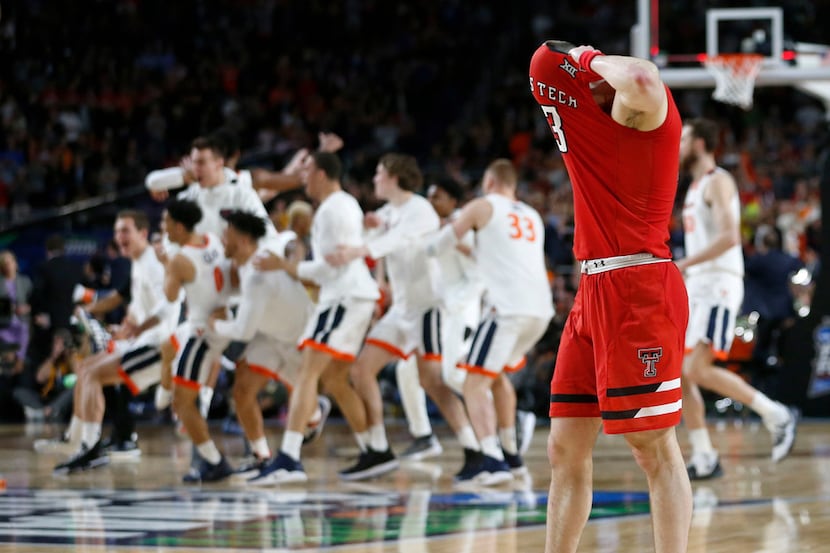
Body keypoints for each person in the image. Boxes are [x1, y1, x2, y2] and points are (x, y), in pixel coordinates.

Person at [530, 41, 691, 552]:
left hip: (640, 286)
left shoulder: (644, 109)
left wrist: (585, 58)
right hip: (593, 288)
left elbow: (643, 78)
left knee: (653, 447)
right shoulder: (608, 120)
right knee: (564, 446)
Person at [326, 153, 480, 482]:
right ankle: (378, 449)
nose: (375, 179)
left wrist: (360, 248)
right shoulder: (387, 212)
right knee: (362, 369)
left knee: (434, 383)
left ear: (395, 177)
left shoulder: (420, 209)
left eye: (379, 173)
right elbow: (374, 235)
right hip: (402, 310)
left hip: (427, 308)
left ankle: (475, 450)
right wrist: (365, 230)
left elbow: (394, 240)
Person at [676, 118, 797, 479]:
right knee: (681, 375)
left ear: (700, 144)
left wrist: (684, 262)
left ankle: (775, 413)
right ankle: (704, 456)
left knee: (695, 368)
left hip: (718, 283)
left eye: (684, 139)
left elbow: (730, 235)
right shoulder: (695, 187)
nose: (678, 145)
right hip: (699, 285)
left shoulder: (718, 180)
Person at [250, 151, 380, 484]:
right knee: (335, 379)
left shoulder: (332, 209)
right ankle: (374, 450)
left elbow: (328, 266)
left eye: (306, 173)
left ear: (321, 174)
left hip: (343, 298)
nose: (302, 179)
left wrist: (286, 267)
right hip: (355, 297)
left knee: (307, 372)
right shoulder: (346, 204)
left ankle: (290, 457)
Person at [426, 160, 553, 484]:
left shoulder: (482, 205)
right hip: (539, 311)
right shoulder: (531, 215)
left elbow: (438, 245)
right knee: (493, 376)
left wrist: (428, 244)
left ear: (491, 181)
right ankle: (511, 454)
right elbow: (501, 255)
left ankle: (491, 459)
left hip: (506, 310)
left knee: (472, 382)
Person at [52, 210, 182, 473]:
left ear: (143, 233)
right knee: (87, 368)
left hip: (160, 347)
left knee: (93, 374)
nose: (119, 237)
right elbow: (139, 307)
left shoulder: (154, 263)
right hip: (143, 342)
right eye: (116, 231)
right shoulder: (138, 262)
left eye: (125, 231)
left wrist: (136, 329)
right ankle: (80, 442)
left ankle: (88, 446)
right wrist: (125, 327)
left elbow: (168, 309)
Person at [206, 209, 322, 481]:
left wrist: (214, 325)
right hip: (271, 338)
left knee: (303, 395)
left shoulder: (259, 273)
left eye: (227, 234)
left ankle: (314, 415)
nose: (222, 239)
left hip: (300, 339)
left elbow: (243, 331)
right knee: (243, 390)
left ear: (244, 239)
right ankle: (262, 457)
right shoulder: (251, 262)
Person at [163, 198, 235, 482]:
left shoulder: (180, 259)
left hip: (201, 331)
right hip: (224, 320)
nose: (165, 227)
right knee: (186, 390)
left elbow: (169, 296)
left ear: (180, 226)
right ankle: (211, 458)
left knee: (182, 402)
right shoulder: (214, 240)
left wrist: (167, 266)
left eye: (167, 222)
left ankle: (214, 461)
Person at [0, 251, 32, 375]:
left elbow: (34, 302)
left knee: (23, 329)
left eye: (11, 262)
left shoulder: (25, 281)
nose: (8, 265)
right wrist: (10, 309)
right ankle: (9, 363)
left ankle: (20, 361)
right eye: (5, 263)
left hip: (22, 319)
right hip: (4, 321)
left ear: (16, 264)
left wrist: (27, 308)